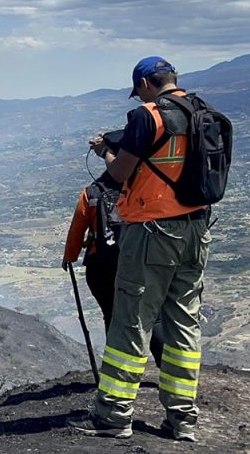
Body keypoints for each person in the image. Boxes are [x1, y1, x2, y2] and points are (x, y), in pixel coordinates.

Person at [69, 56, 212, 443]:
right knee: (183, 324)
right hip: (197, 229)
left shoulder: (148, 117)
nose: (139, 98)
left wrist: (105, 151)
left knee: (131, 321)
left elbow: (119, 174)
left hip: (153, 232)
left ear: (147, 83)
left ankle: (114, 416)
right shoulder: (201, 111)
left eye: (139, 91)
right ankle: (182, 420)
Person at [62, 169, 164, 365]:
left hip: (100, 266)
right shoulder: (143, 186)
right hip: (140, 263)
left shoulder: (91, 193)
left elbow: (78, 227)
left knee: (111, 315)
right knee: (153, 316)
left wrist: (69, 256)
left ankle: (118, 369)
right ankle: (169, 368)